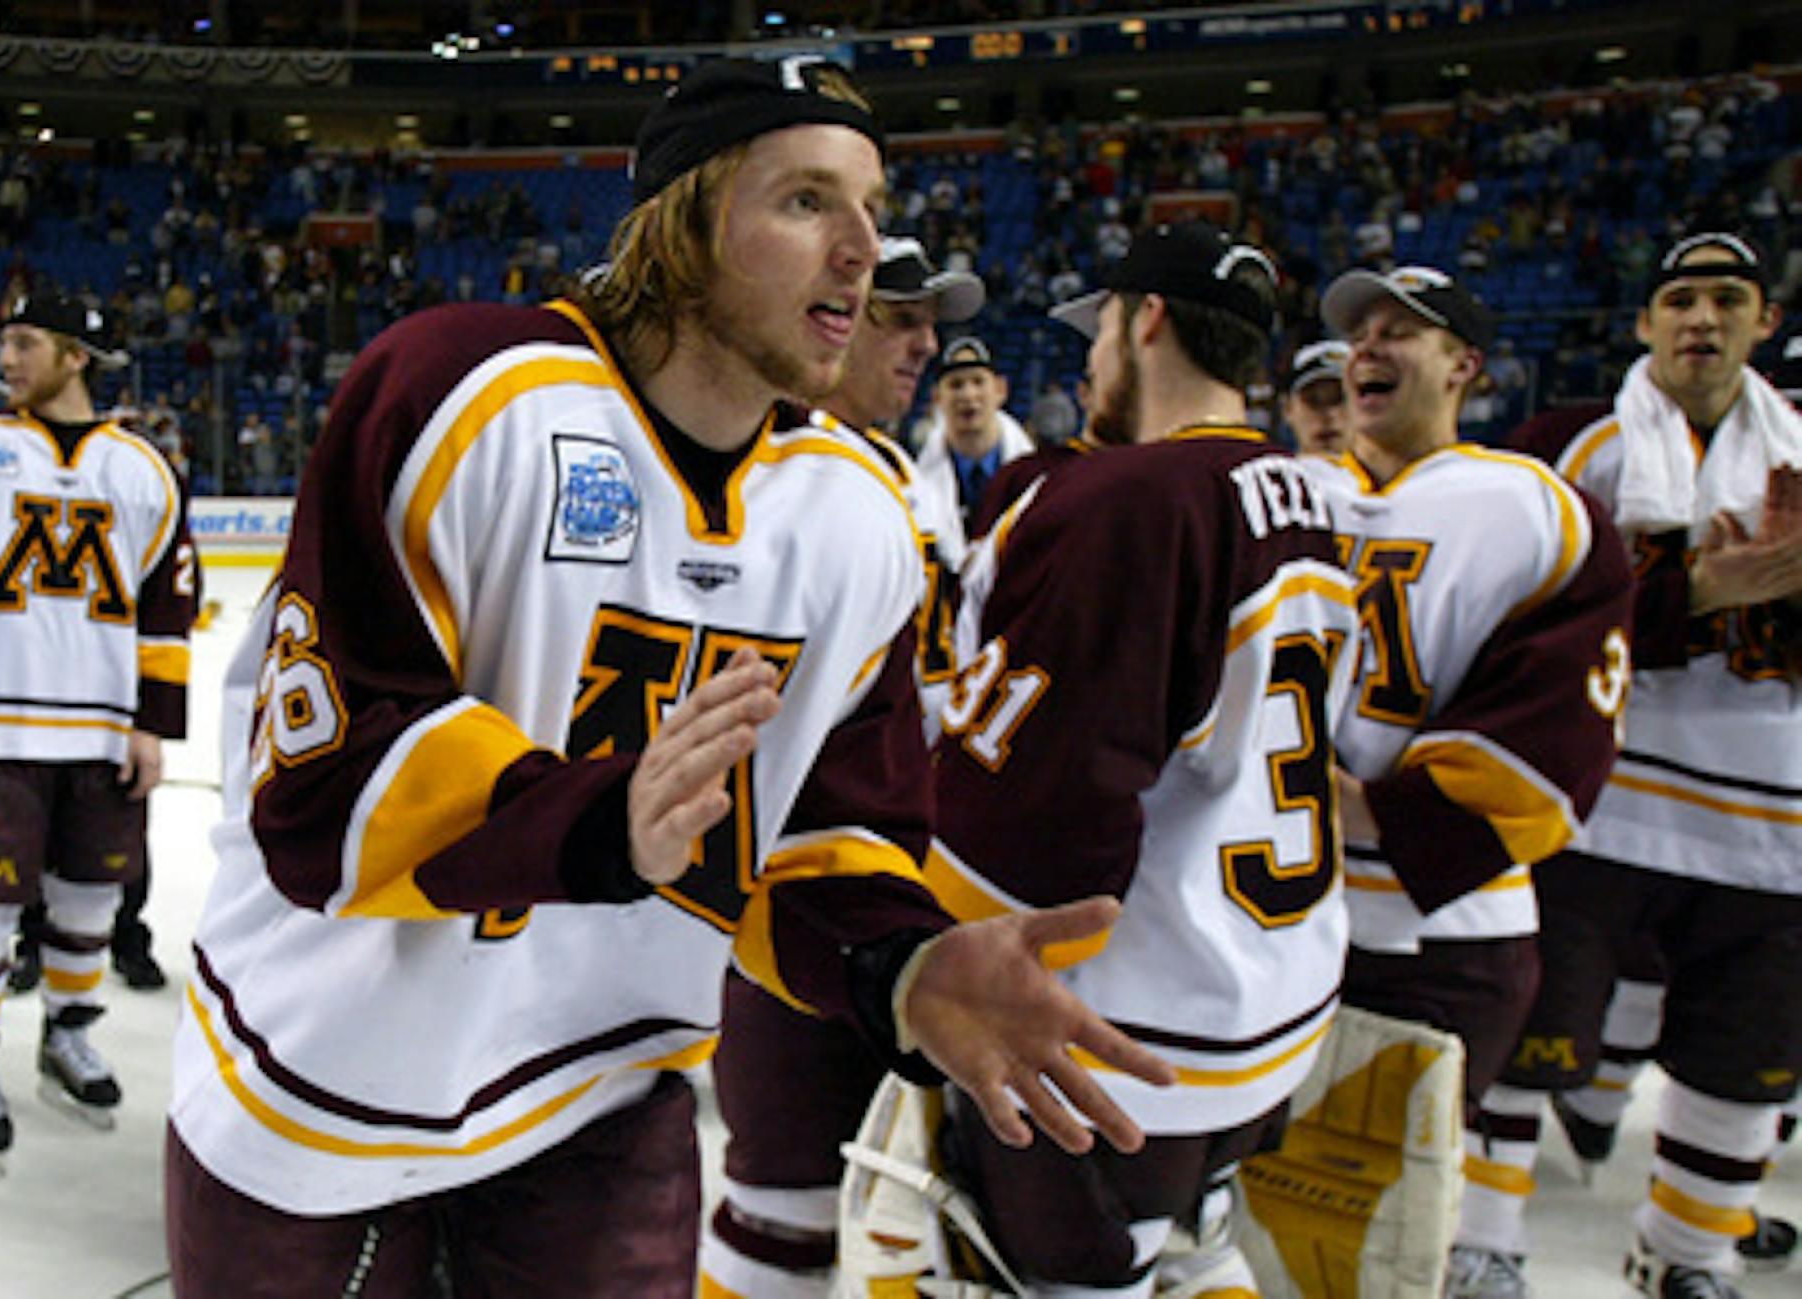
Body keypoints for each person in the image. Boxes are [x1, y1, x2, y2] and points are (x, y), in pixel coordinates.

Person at [166, 59, 1171, 1299]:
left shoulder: (857, 509)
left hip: (609, 1080)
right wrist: (599, 819)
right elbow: (322, 775)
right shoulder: (465, 392)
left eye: (871, 204)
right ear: (682, 225)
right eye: (808, 201)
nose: (864, 247)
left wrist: (899, 961)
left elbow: (827, 830)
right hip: (332, 1076)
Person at [917, 220, 1361, 1295]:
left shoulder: (1130, 497)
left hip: (1125, 1033)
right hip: (1275, 998)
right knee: (1196, 1253)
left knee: (1035, 1273)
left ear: (1148, 317)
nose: (1089, 359)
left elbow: (1038, 810)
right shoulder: (1331, 494)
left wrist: (923, 953)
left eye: (1102, 330)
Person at [1239, 266, 1634, 1299]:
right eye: (1357, 332)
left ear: (1466, 364)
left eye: (1400, 332)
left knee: (1369, 1233)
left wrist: (1348, 803)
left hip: (1439, 937)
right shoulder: (1288, 495)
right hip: (1265, 915)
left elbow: (1560, 729)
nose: (1368, 349)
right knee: (1241, 1214)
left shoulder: (1538, 508)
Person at [1486, 231, 1802, 1299]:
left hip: (1775, 834)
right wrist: (1698, 595)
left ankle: (1689, 1261)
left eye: (1726, 299)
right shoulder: (1571, 445)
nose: (1700, 320)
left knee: (1740, 1067)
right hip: (1594, 808)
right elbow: (1518, 616)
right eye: (1679, 299)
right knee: (1524, 1041)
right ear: (1643, 323)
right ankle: (1484, 1246)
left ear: (1766, 320)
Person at [697, 232, 984, 1297]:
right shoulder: (772, 473)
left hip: (902, 895)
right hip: (803, 900)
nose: (922, 344)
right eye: (897, 317)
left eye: (928, 323)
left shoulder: (896, 471)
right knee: (781, 1211)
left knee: (897, 1209)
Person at [0, 288, 195, 1154]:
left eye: (27, 342)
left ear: (77, 356)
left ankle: (67, 1029)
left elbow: (168, 610)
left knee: (90, 903)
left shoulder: (145, 470)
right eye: (6, 341)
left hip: (102, 731)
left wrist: (152, 726)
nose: (7, 358)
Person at [914, 335, 1033, 567]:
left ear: (1001, 390)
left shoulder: (1035, 477)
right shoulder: (916, 485)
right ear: (937, 397)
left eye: (978, 382)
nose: (968, 396)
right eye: (956, 385)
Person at [1282, 338, 1352, 457]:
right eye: (1313, 401)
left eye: (1340, 399)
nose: (1328, 414)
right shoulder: (1267, 474)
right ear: (1288, 409)